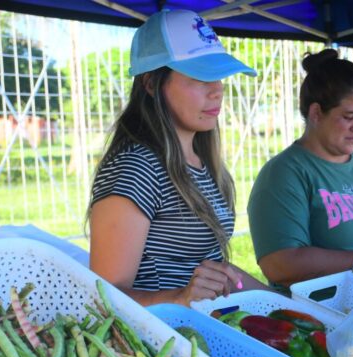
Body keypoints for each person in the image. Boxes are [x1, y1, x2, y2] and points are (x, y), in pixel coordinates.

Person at [87, 9, 267, 307]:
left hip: (204, 332)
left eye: (219, 75)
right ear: (150, 83)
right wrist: (180, 298)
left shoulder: (203, 160)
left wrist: (284, 305)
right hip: (160, 346)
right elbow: (104, 297)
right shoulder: (136, 168)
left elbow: (218, 272)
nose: (217, 91)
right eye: (200, 77)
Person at [247, 49, 353, 289]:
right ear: (316, 113)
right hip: (317, 317)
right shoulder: (284, 174)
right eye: (349, 116)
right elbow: (280, 265)